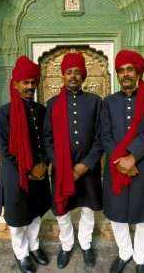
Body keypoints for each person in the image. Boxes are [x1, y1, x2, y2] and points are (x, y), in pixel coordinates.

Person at [101, 49, 144, 273]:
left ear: (137, 72)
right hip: (116, 166)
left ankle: (140, 259)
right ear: (117, 75)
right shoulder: (108, 102)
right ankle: (124, 252)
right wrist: (120, 160)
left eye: (129, 69)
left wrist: (133, 156)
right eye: (120, 70)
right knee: (117, 214)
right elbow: (104, 135)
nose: (125, 74)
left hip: (143, 165)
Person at [43, 52, 103, 269]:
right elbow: (47, 138)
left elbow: (101, 137)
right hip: (62, 169)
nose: (73, 76)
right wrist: (61, 165)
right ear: (63, 75)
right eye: (69, 72)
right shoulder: (52, 104)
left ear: (84, 76)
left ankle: (85, 244)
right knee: (62, 210)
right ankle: (67, 245)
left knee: (88, 209)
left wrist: (84, 165)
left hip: (88, 169)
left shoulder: (96, 102)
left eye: (78, 72)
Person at [0, 55, 51, 273]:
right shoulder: (6, 112)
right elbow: (5, 147)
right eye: (25, 82)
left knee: (36, 212)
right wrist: (28, 169)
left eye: (33, 82)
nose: (30, 86)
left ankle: (35, 246)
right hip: (16, 173)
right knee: (18, 218)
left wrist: (44, 164)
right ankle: (22, 253)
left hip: (40, 171)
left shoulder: (41, 110)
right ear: (16, 83)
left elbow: (47, 141)